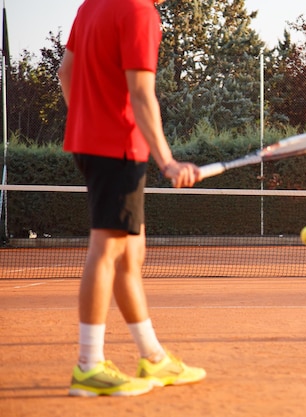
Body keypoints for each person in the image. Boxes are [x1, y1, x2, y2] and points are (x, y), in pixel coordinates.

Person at [58, 0, 205, 397]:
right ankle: (88, 366)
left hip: (92, 144)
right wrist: (169, 162)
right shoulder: (139, 11)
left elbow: (65, 74)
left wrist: (88, 124)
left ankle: (153, 357)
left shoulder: (91, 6)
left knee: (129, 254)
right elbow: (141, 94)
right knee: (106, 250)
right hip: (118, 147)